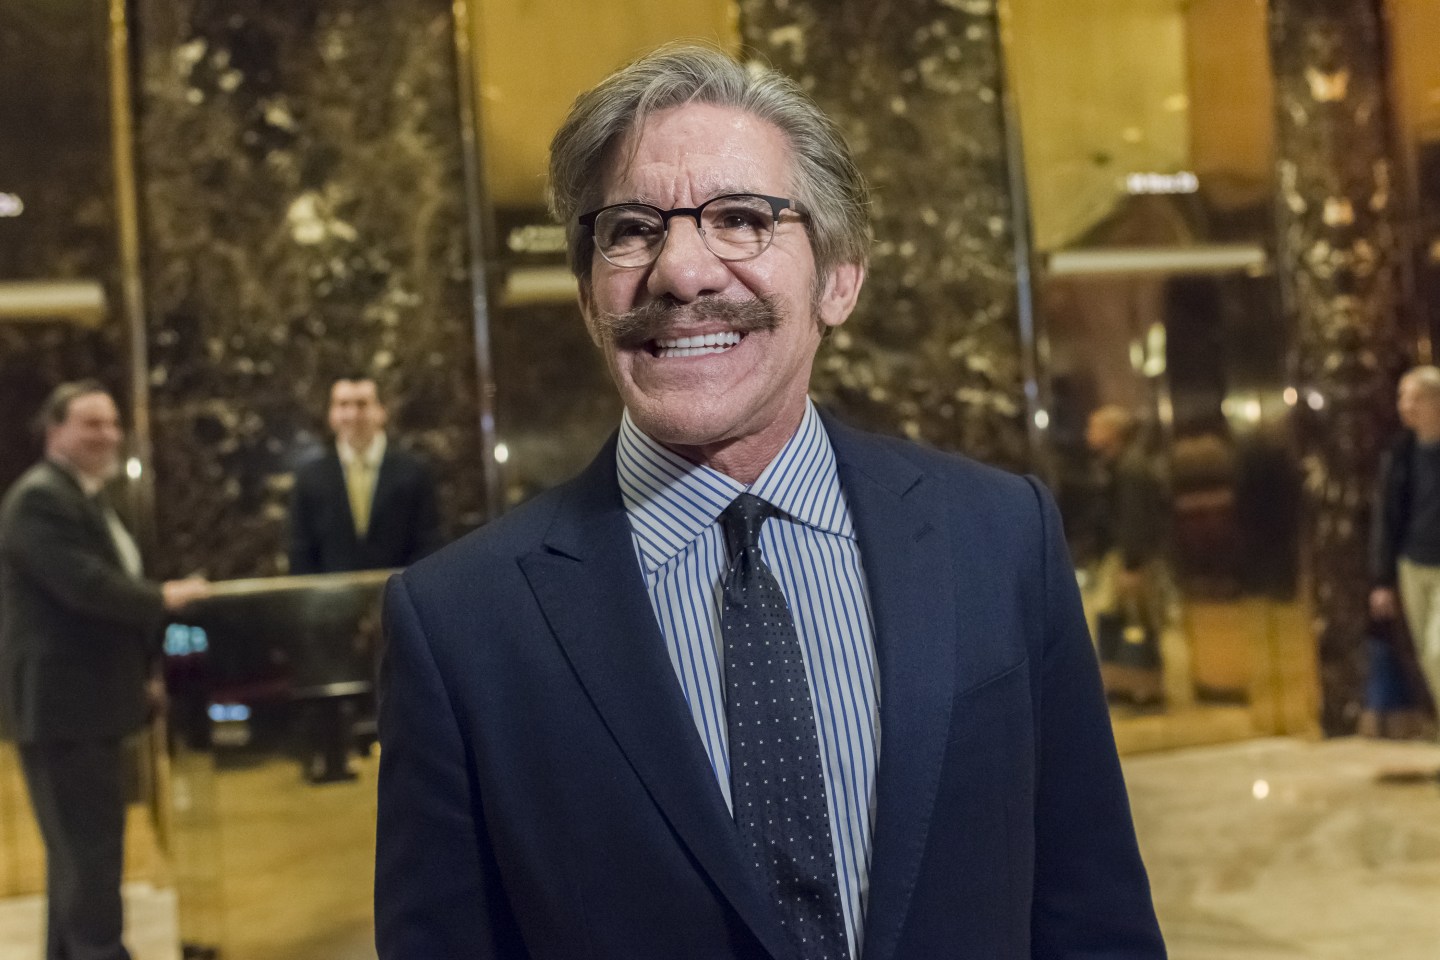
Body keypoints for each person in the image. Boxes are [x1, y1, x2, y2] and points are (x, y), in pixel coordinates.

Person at [375, 45, 1164, 959]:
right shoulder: (461, 626)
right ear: (591, 298)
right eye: (631, 229)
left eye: (741, 218)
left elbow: (1092, 913)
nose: (682, 272)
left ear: (839, 279)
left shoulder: (999, 538)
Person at [0, 380, 210, 960]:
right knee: (90, 854)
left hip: (84, 708)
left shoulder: (84, 497)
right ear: (54, 430)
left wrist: (144, 671)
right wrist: (163, 597)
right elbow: (87, 587)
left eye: (113, 423)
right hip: (65, 711)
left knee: (78, 856)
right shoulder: (39, 500)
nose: (108, 435)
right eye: (92, 424)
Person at [1085, 405, 1189, 709]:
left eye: (1094, 427)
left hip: (1130, 556)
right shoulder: (1121, 464)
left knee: (1134, 620)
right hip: (1127, 554)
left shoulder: (1130, 468)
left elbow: (1135, 517)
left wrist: (1132, 564)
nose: (1088, 434)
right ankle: (1128, 684)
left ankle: (1141, 687)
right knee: (1124, 620)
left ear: (1112, 433)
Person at [288, 374, 442, 574]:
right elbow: (300, 552)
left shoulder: (413, 472)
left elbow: (428, 543)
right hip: (331, 601)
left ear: (381, 411)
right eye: (343, 404)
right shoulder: (310, 477)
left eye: (362, 404)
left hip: (398, 597)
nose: (352, 414)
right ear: (331, 414)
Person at [1370, 365, 1440, 737]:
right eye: (1401, 397)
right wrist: (1382, 579)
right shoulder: (1400, 453)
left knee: (1437, 651)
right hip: (1413, 565)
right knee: (1427, 661)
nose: (1405, 406)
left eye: (1414, 397)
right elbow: (1387, 516)